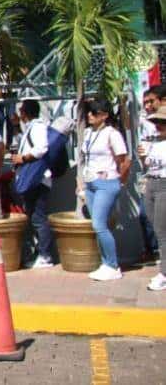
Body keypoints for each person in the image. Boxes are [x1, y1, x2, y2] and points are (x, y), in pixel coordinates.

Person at [80, 100, 130, 281]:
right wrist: (82, 183)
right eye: (89, 112)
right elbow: (85, 159)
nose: (90, 115)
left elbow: (124, 160)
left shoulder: (112, 133)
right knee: (98, 224)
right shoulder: (87, 133)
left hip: (107, 181)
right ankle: (106, 262)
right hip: (91, 181)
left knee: (99, 225)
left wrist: (119, 180)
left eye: (94, 112)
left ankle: (113, 265)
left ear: (104, 115)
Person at [11, 99, 55, 268]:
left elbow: (41, 148)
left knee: (38, 218)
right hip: (32, 180)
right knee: (34, 217)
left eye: (21, 111)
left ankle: (45, 255)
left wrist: (23, 158)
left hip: (38, 180)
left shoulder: (38, 127)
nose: (19, 114)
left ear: (25, 112)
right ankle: (40, 253)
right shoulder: (30, 127)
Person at [138, 105, 166, 291]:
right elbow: (147, 167)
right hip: (151, 184)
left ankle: (164, 273)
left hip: (164, 184)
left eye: (162, 122)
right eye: (156, 122)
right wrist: (143, 156)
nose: (158, 126)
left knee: (162, 231)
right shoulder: (153, 142)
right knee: (156, 229)